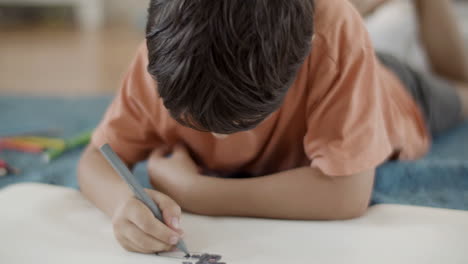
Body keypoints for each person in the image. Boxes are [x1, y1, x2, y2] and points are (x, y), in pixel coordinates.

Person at [78, 0, 468, 254]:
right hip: (324, 42)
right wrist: (119, 203)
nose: (218, 139)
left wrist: (194, 191)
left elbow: (347, 193)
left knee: (461, 89)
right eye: (193, 120)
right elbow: (96, 160)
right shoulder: (165, 55)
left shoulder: (332, 38)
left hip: (394, 91)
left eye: (241, 121)